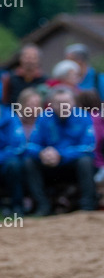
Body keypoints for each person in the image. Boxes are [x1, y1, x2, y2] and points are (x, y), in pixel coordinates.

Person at [23, 87, 97, 215]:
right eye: (58, 103)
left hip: (73, 164)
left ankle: (87, 206)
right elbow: (31, 146)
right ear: (51, 104)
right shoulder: (44, 118)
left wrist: (61, 154)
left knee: (86, 161)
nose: (63, 106)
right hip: (50, 164)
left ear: (74, 102)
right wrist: (42, 153)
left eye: (66, 102)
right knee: (29, 162)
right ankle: (42, 205)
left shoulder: (83, 117)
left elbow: (88, 147)